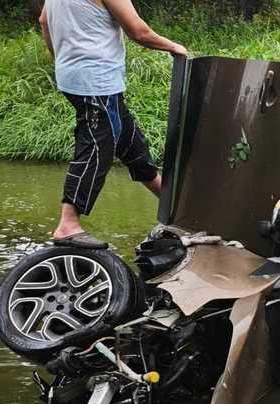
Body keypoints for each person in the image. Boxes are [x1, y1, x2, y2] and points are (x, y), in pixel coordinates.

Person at [39, 0, 186, 249]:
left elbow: (44, 20)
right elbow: (138, 31)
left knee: (129, 140)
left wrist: (64, 59)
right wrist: (175, 47)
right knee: (98, 145)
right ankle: (68, 224)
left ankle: (173, 204)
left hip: (75, 75)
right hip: (96, 79)